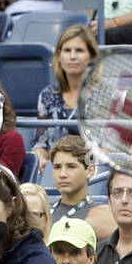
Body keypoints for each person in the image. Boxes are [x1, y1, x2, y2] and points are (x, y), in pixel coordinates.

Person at [31, 25, 97, 166]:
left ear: (91, 56)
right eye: (67, 50)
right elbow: (40, 142)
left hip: (93, 169)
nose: (72, 56)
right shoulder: (47, 95)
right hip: (55, 169)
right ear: (59, 56)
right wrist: (40, 157)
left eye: (79, 51)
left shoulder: (107, 95)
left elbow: (108, 146)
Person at [48, 136, 116, 243]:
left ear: (90, 171)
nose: (62, 174)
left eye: (71, 166)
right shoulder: (43, 209)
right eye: (57, 167)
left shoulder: (103, 215)